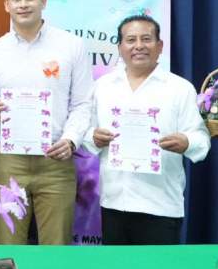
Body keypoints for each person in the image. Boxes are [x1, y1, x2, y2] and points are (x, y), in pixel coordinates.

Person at [0, 0, 93, 245]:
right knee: (9, 246)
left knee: (57, 247)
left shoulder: (71, 46)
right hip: (9, 161)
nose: (23, 4)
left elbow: (82, 104)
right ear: (6, 5)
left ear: (44, 1)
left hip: (56, 160)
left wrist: (71, 140)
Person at [84, 15, 210, 245]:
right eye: (131, 40)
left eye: (146, 39)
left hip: (160, 204)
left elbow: (201, 139)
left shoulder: (180, 88)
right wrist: (93, 137)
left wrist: (187, 142)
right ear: (120, 48)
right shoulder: (102, 87)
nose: (138, 46)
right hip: (114, 201)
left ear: (160, 46)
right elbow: (86, 132)